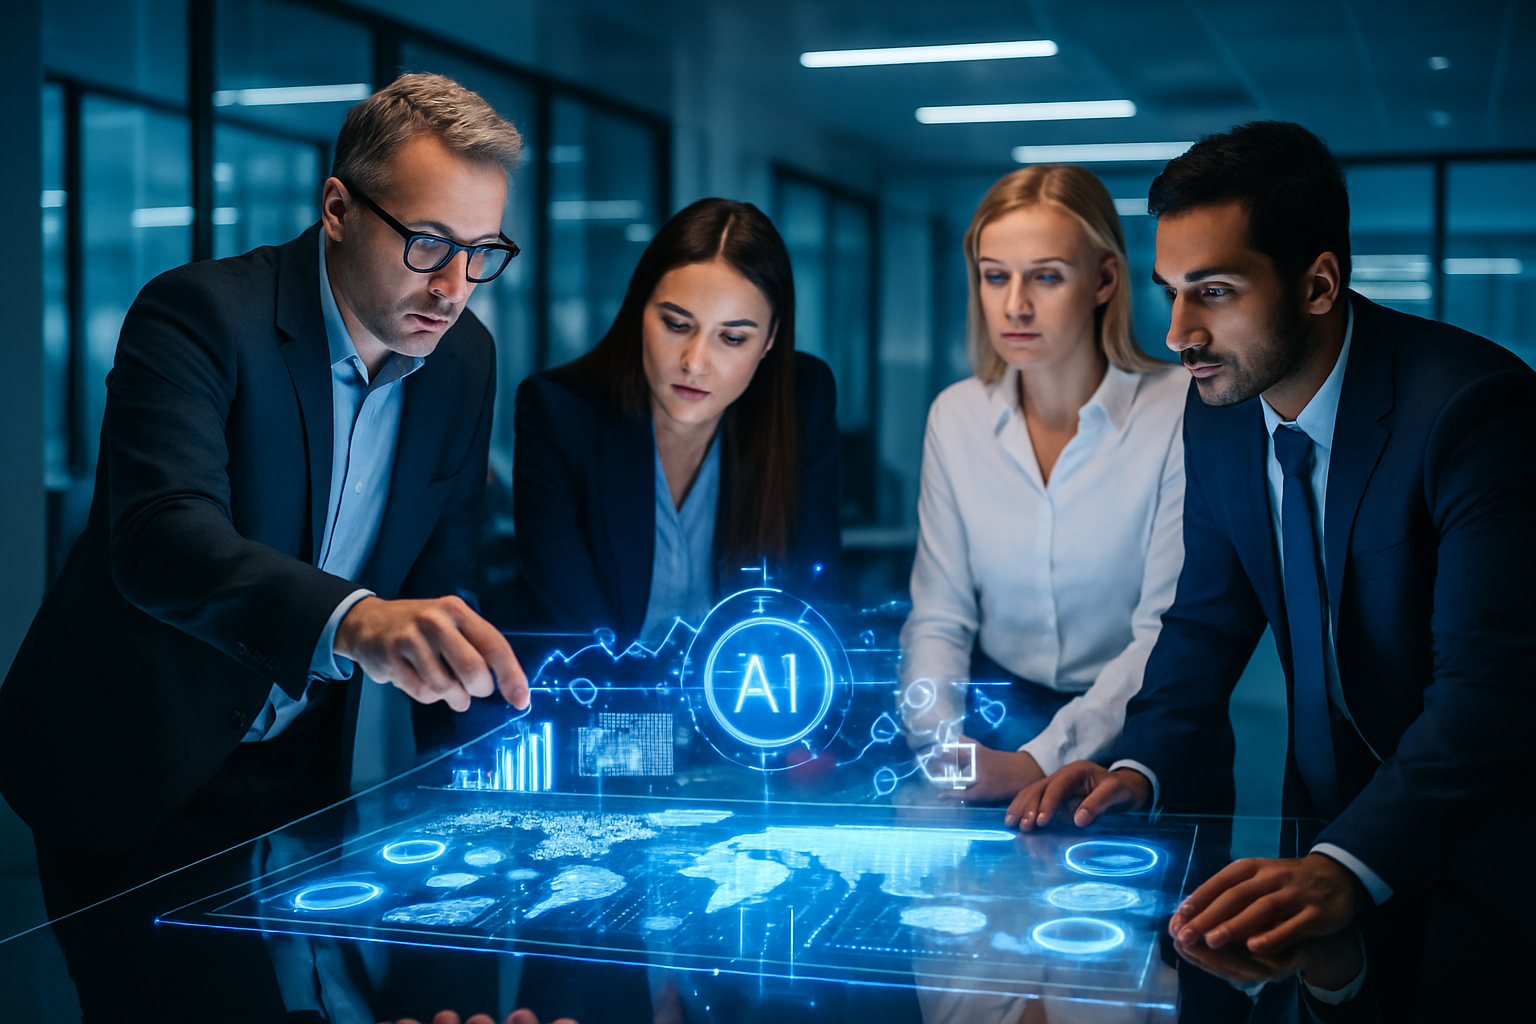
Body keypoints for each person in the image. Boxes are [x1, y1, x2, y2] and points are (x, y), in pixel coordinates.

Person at [0, 73, 532, 1021]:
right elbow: (161, 539)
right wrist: (355, 620)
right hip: (135, 765)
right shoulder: (199, 315)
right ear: (337, 207)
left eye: (481, 253)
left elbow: (448, 584)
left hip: (297, 781)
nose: (452, 289)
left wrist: (499, 796)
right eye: (427, 244)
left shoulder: (465, 362)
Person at [1010, 121, 1536, 1019]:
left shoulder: (1476, 410)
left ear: (1320, 283)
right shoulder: (1218, 411)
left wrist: (1344, 865)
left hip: (1481, 848)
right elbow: (1205, 623)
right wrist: (1136, 766)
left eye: (1213, 292)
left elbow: (1489, 691)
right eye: (1170, 293)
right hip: (1319, 833)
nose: (1180, 333)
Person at [898, 164, 1187, 807]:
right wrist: (941, 745)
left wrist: (1039, 759)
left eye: (1046, 277)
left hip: (1144, 731)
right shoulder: (956, 415)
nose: (1015, 305)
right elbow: (941, 616)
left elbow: (1166, 631)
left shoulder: (1178, 410)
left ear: (1104, 280)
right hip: (997, 719)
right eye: (995, 275)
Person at [512, 197, 841, 644]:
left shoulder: (803, 400)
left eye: (732, 337)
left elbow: (811, 602)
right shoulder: (559, 414)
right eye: (676, 324)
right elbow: (576, 634)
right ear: (639, 312)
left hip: (748, 703)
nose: (695, 362)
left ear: (770, 340)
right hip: (600, 704)